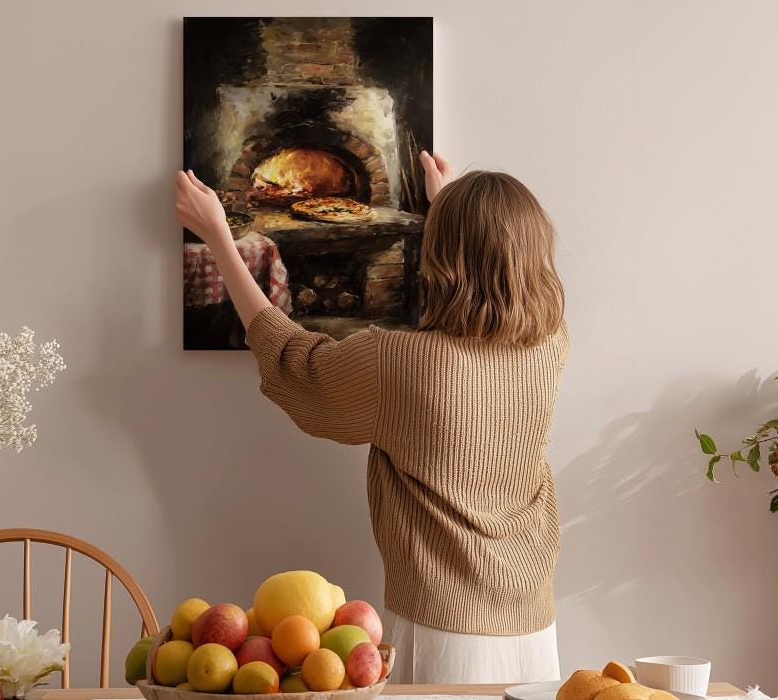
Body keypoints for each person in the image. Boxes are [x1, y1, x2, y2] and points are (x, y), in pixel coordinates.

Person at [174, 151, 568, 684]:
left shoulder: (401, 362)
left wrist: (220, 236)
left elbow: (294, 359)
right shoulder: (550, 344)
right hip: (534, 627)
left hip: (442, 629)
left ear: (441, 254)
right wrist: (450, 207)